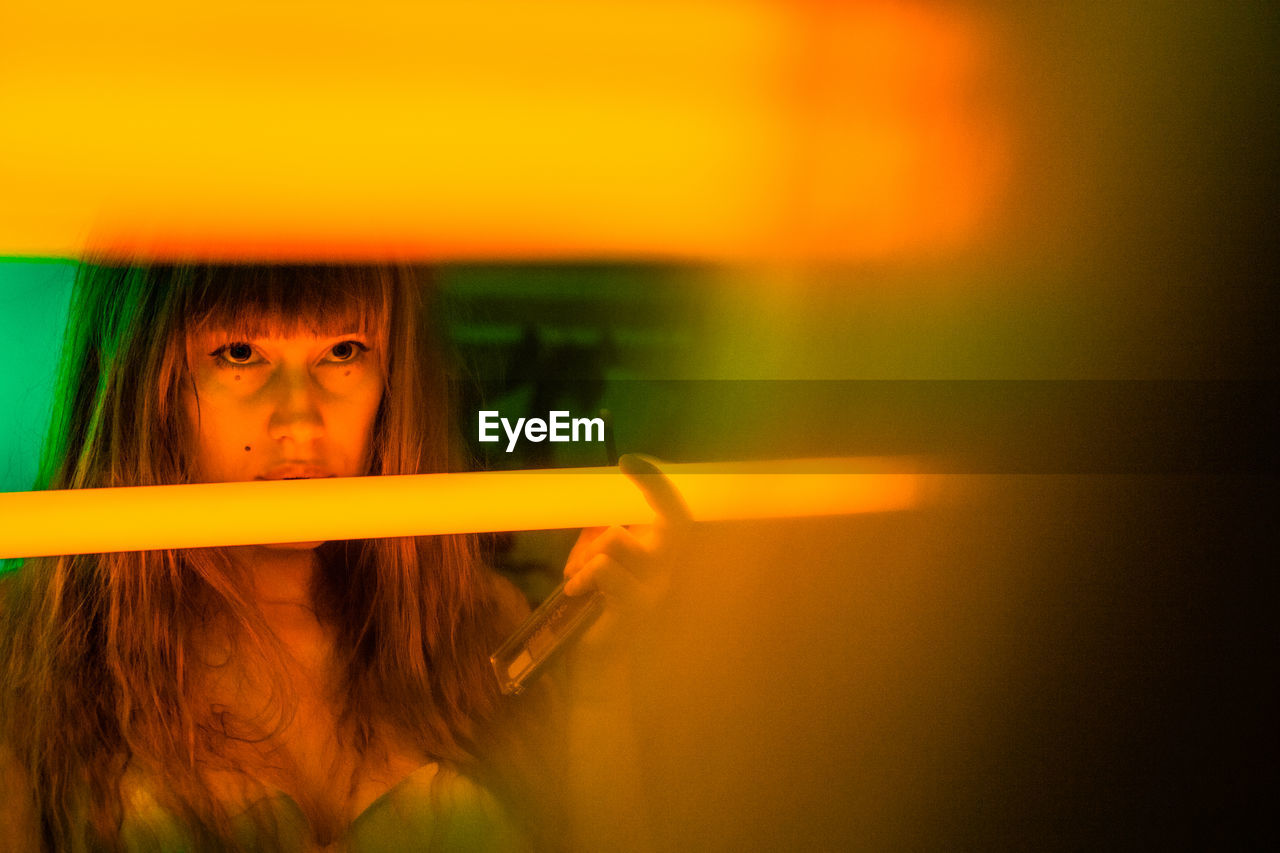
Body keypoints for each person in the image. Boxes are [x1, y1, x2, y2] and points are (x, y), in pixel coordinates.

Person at [0, 264, 681, 852]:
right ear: (145, 379)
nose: (299, 418)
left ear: (392, 376)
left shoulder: (482, 628)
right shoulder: (29, 648)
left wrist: (601, 671)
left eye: (343, 351)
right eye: (240, 352)